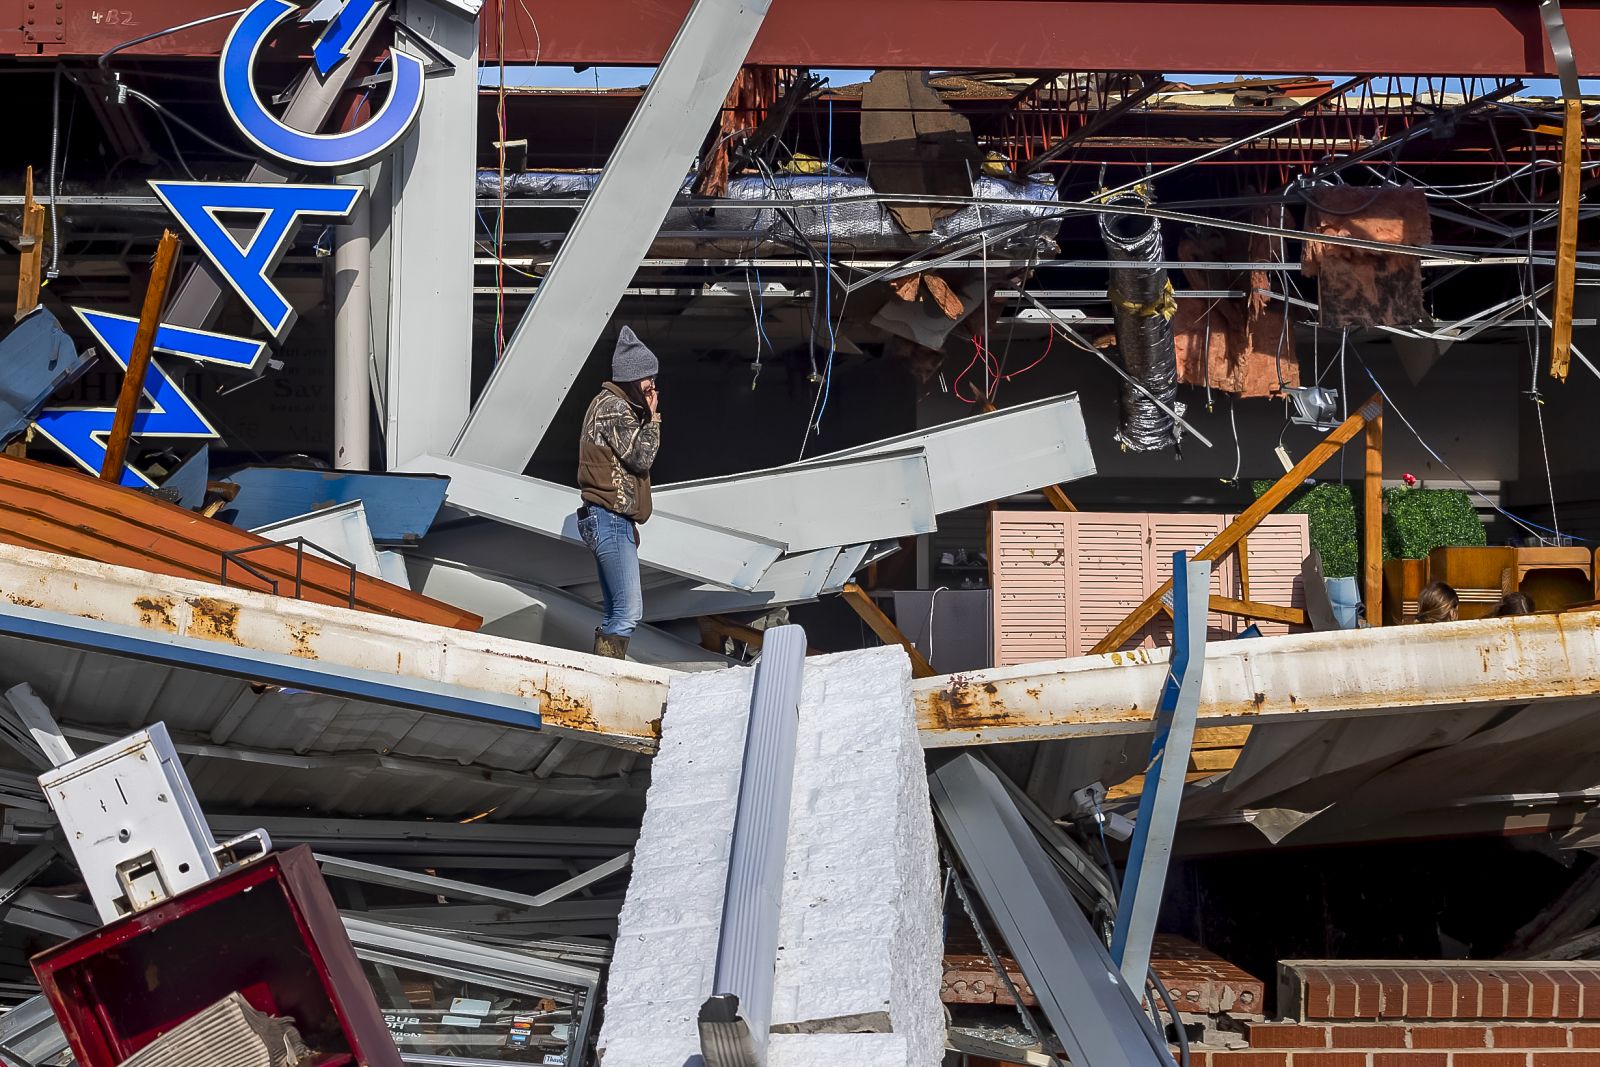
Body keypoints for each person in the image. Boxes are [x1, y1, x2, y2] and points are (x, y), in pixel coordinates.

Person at [576, 327, 661, 659]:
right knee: (628, 613)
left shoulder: (615, 406)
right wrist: (653, 419)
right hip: (608, 520)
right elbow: (641, 458)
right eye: (647, 379)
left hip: (613, 520)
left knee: (616, 614)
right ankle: (606, 679)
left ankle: (601, 675)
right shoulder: (613, 408)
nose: (652, 386)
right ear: (631, 378)